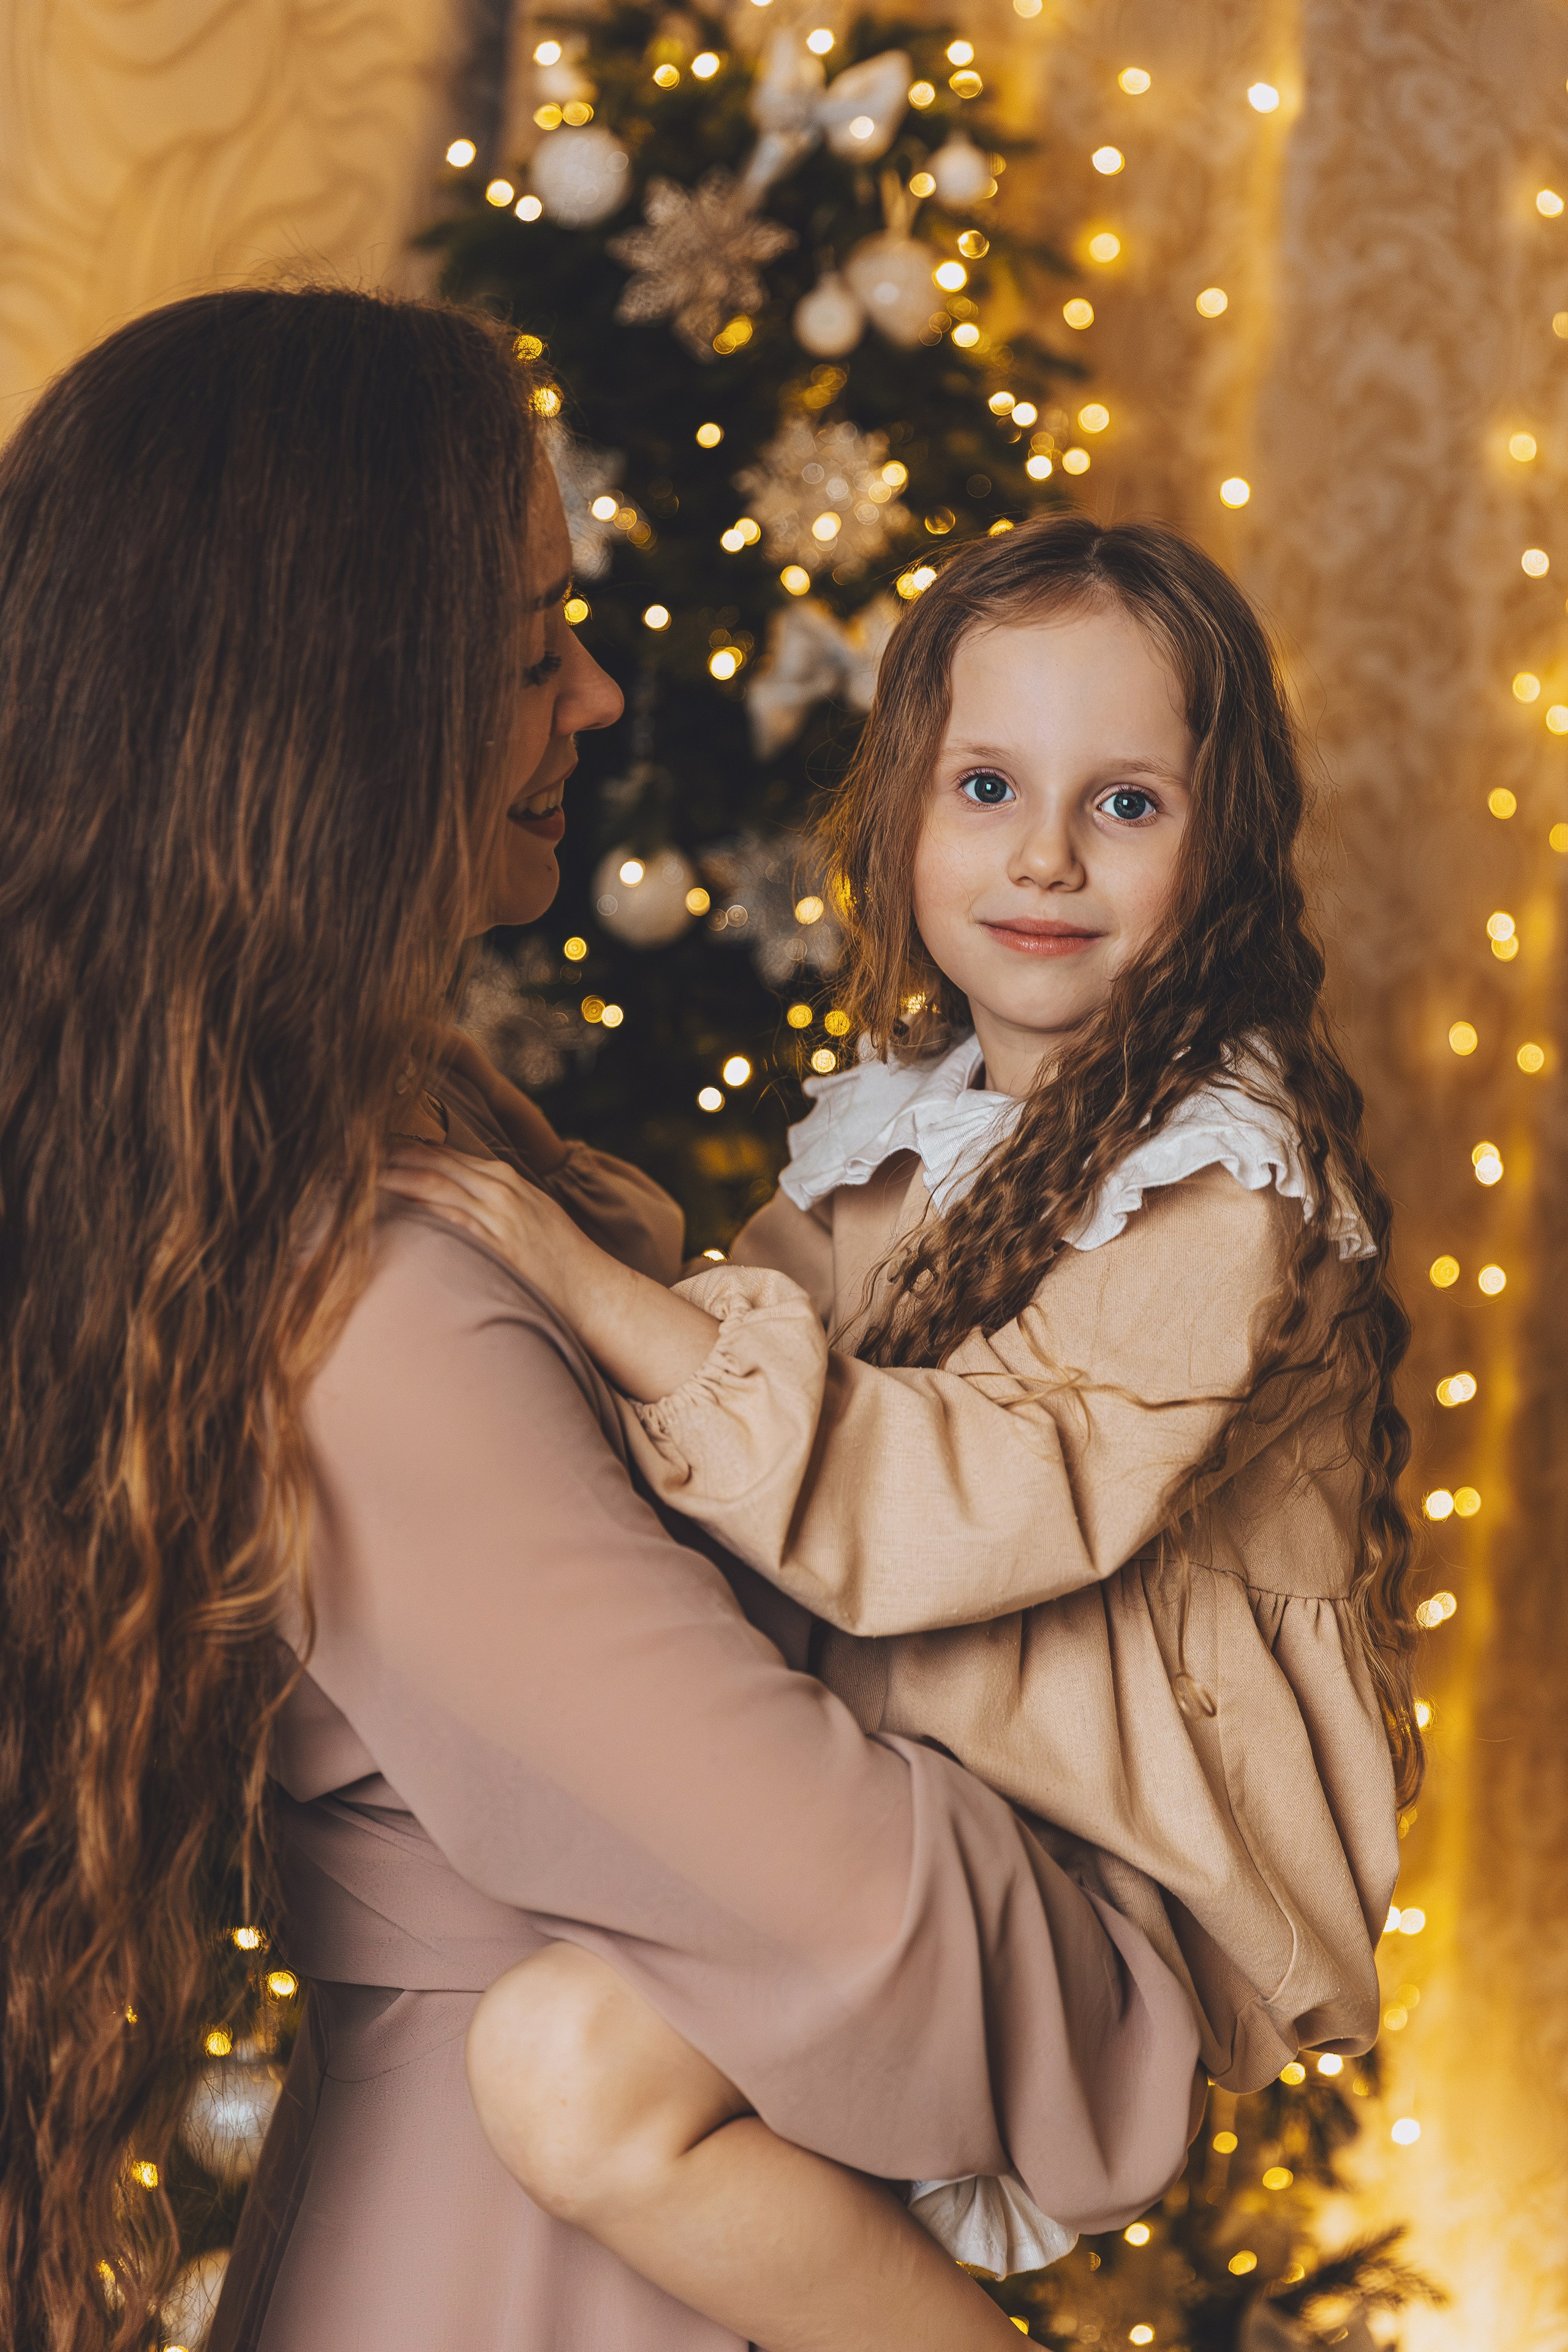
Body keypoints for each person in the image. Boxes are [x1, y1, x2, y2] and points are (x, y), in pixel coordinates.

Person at [0, 293, 1202, 2352]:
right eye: (526, 647)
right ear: (335, 718)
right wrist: (1164, 1931)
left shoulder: (396, 1169)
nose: (599, 693)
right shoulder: (378, 1315)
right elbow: (865, 1931)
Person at [386, 516, 1420, 2302]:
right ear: (901, 816)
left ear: (1227, 844)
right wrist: (473, 1131)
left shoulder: (1219, 1181)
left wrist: (558, 1267)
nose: (1044, 855)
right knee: (555, 2033)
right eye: (986, 786)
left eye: (1125, 804)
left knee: (571, 2070)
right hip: (920, 1810)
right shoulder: (907, 1124)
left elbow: (974, 1503)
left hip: (1119, 1876)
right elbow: (728, 1349)